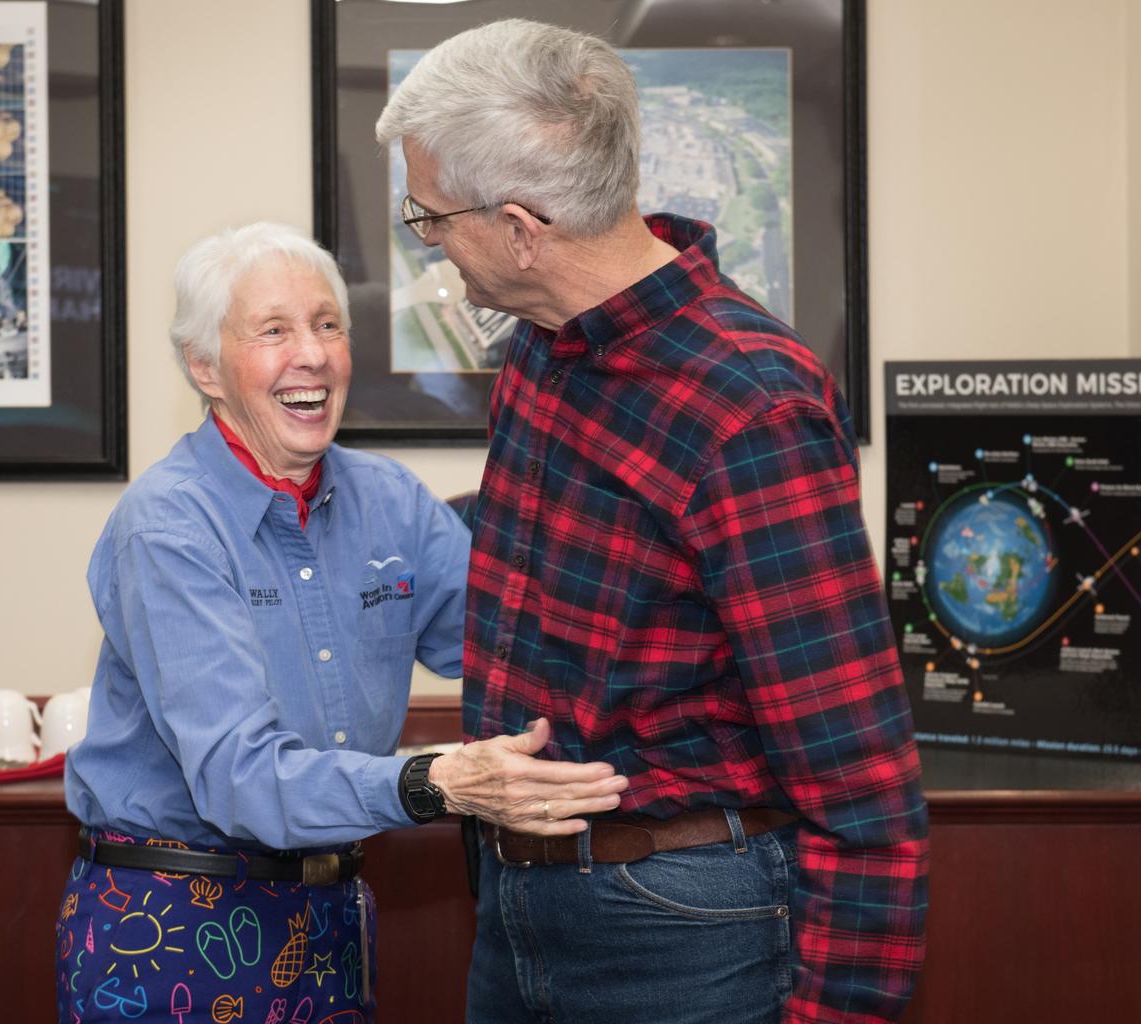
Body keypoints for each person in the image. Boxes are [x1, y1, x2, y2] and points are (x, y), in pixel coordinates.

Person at [377, 20, 929, 1024]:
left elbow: (860, 777)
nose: (427, 240)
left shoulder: (747, 404)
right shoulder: (543, 351)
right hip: (513, 902)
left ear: (517, 225)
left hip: (676, 925)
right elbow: (573, 569)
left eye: (429, 216)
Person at [56, 222, 627, 1024]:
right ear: (204, 366)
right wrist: (439, 781)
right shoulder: (168, 527)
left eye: (329, 324)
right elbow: (239, 779)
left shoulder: (389, 500)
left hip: (330, 913)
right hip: (172, 917)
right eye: (275, 330)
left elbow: (516, 642)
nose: (314, 355)